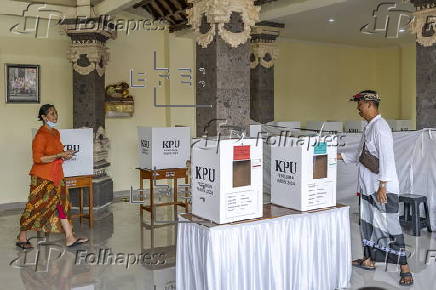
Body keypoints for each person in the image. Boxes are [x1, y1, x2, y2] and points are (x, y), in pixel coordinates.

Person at [337, 90, 413, 286]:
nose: (358, 109)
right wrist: (337, 156)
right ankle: (369, 260)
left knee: (391, 227)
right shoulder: (369, 127)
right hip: (368, 187)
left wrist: (383, 186)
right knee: (368, 225)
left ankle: (405, 269)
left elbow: (387, 158)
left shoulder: (380, 128)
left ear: (370, 104)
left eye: (360, 104)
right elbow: (362, 155)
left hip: (381, 188)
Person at [16, 104, 88, 249]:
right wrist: (58, 155)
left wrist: (65, 155)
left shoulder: (55, 133)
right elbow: (38, 159)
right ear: (43, 117)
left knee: (62, 204)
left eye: (56, 113)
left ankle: (69, 237)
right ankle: (22, 236)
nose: (55, 116)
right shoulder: (40, 135)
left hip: (56, 175)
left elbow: (58, 152)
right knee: (36, 207)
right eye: (51, 113)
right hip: (42, 177)